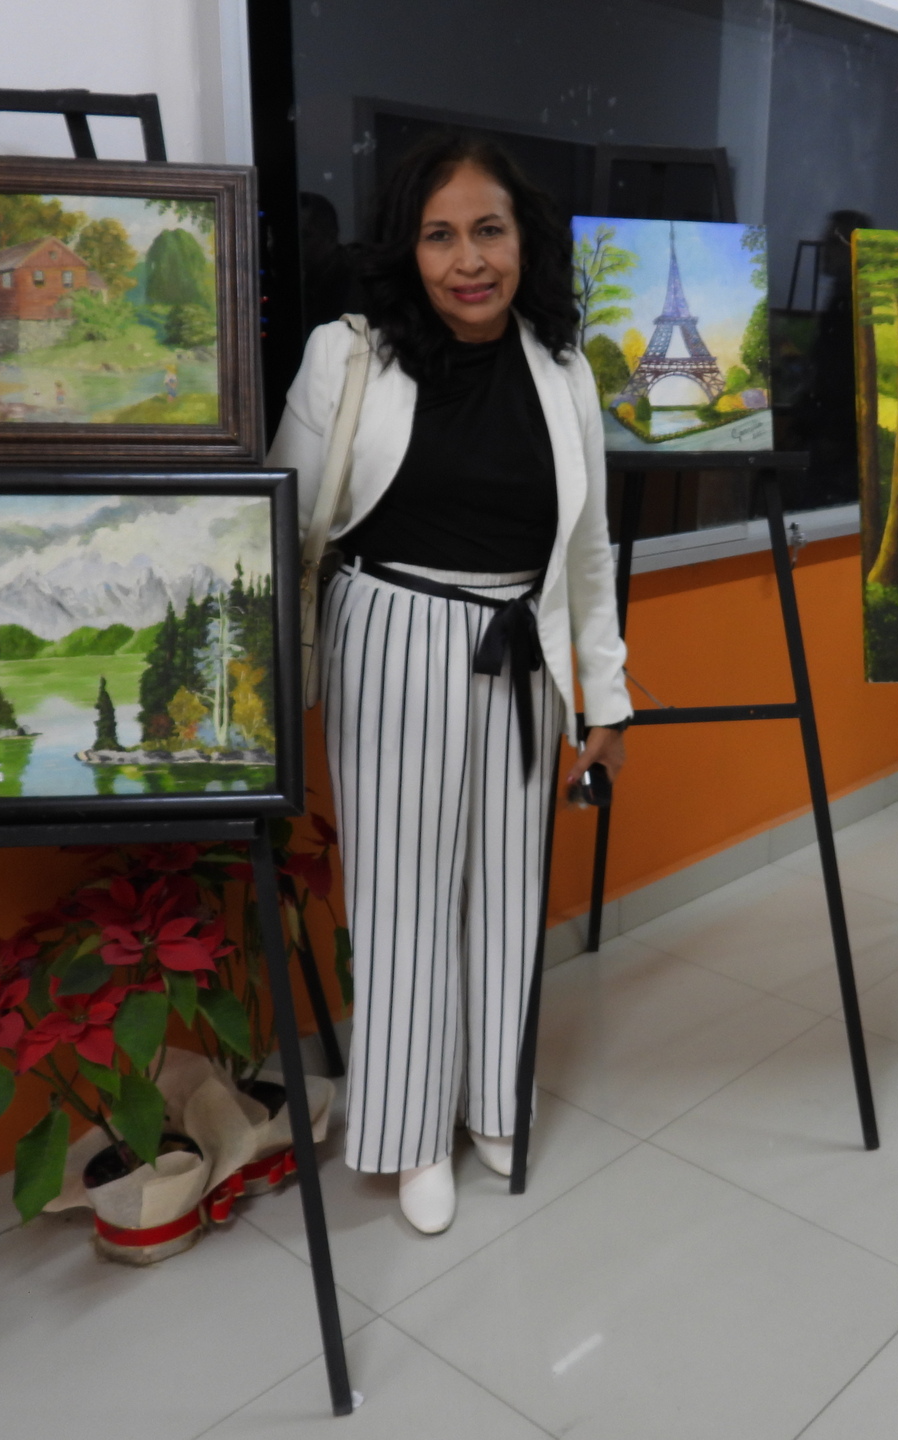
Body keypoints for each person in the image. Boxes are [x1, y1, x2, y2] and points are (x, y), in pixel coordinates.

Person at [267, 135, 631, 1233]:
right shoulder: (348, 356)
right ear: (406, 246)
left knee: (510, 888)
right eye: (440, 235)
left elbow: (589, 553)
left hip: (523, 646)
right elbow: (281, 522)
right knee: (402, 894)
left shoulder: (564, 369)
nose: (469, 260)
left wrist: (605, 701)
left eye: (489, 230)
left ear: (525, 240)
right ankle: (410, 1131)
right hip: (394, 634)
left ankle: (493, 1100)